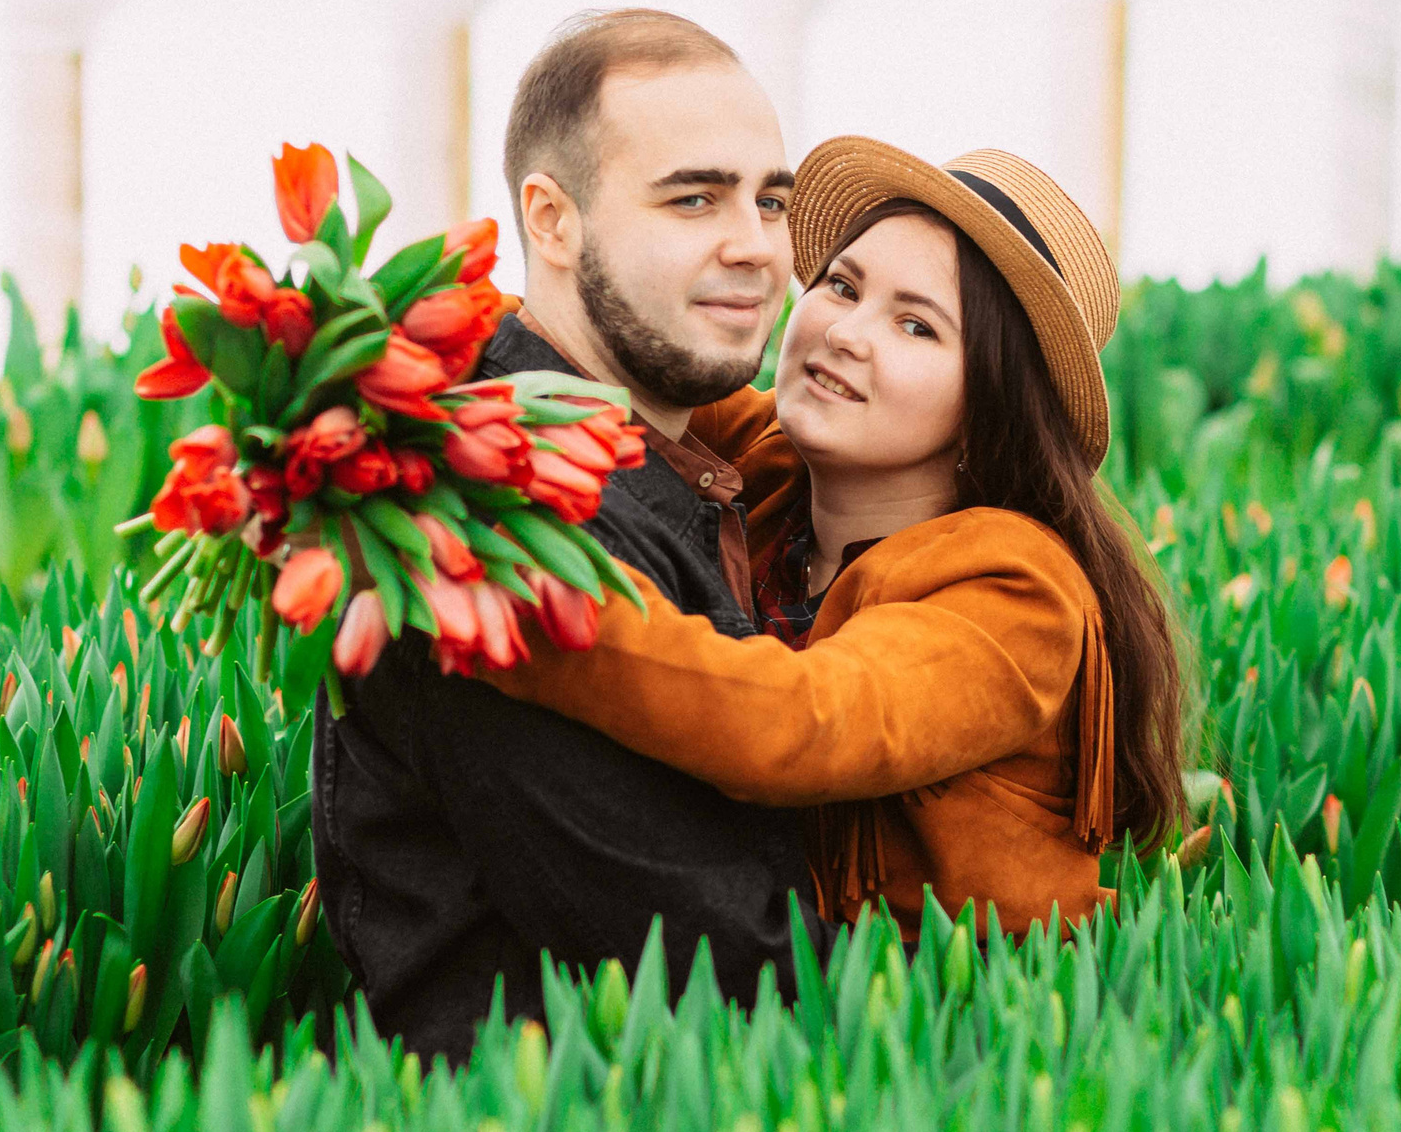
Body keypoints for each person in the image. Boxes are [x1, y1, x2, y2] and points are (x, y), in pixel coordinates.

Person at [478, 137, 1190, 939]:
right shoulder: (773, 470)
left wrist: (533, 606)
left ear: (990, 410)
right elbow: (587, 353)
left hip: (932, 1023)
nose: (848, 332)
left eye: (917, 326)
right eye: (842, 286)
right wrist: (366, 345)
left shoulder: (1015, 590)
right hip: (753, 957)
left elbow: (800, 722)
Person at [310, 9, 822, 1063]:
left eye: (771, 201)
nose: (755, 246)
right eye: (693, 198)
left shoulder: (691, 463)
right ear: (552, 220)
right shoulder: (487, 518)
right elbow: (717, 962)